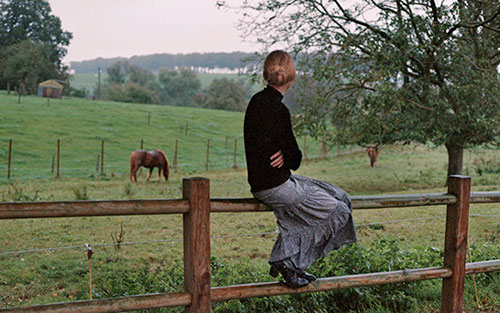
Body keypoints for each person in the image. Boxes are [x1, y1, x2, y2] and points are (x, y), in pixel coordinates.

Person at [243, 50, 357, 288]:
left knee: (336, 194)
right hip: (277, 187)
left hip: (264, 184)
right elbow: (295, 158)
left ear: (266, 74)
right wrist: (285, 155)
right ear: (291, 77)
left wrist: (282, 154)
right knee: (338, 210)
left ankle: (288, 263)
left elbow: (272, 151)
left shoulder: (255, 101)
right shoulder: (279, 110)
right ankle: (287, 262)